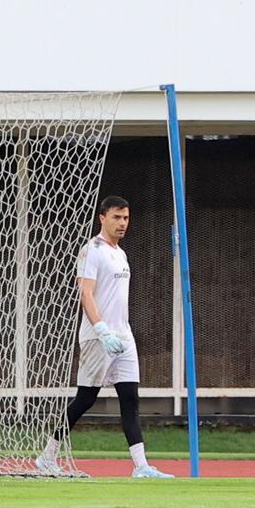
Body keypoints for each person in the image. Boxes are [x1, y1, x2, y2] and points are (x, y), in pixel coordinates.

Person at [36, 196, 173, 478]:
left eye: (125, 218)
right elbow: (86, 294)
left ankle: (141, 466)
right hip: (98, 337)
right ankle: (47, 456)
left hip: (123, 337)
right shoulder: (92, 251)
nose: (122, 223)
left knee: (130, 398)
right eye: (116, 217)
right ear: (102, 218)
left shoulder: (120, 254)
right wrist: (100, 328)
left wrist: (117, 332)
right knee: (85, 399)